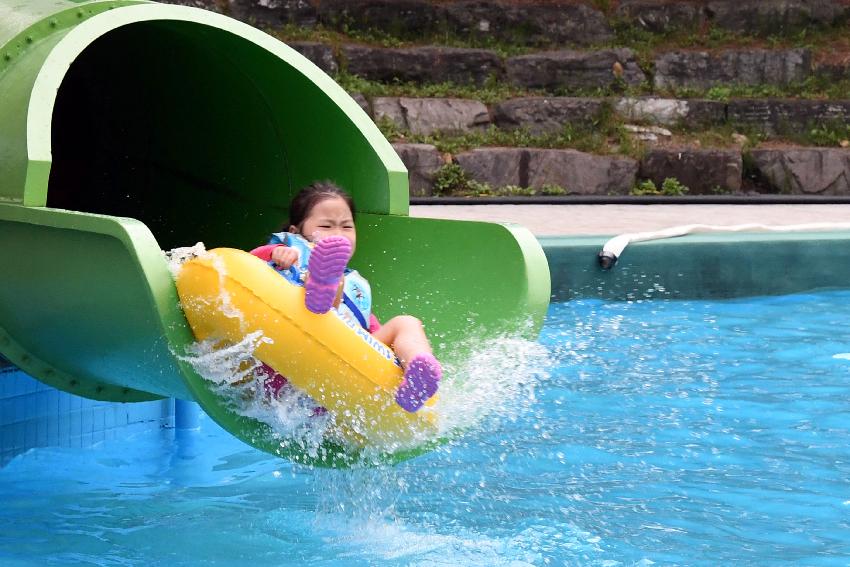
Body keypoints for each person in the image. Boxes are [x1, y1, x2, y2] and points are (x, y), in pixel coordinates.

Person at [250, 181, 441, 413]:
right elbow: (246, 266)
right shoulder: (286, 254)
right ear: (295, 232)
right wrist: (274, 253)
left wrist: (389, 359)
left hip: (342, 360)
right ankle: (321, 290)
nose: (339, 235)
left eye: (346, 227)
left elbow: (368, 334)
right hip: (293, 349)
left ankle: (418, 370)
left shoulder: (356, 285)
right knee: (325, 282)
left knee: (405, 323)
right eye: (327, 226)